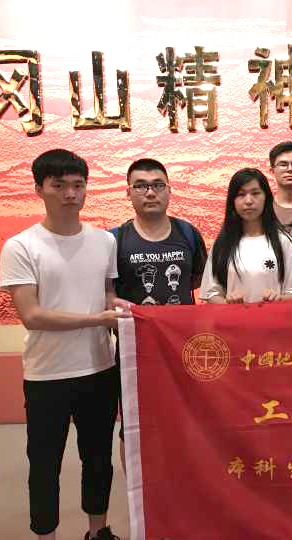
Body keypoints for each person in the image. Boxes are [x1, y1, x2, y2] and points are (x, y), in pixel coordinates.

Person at [0, 149, 128, 540]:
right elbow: (32, 315)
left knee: (98, 459)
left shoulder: (104, 241)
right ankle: (47, 535)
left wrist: (119, 308)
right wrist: (97, 320)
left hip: (99, 368)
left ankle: (98, 530)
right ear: (39, 189)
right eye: (59, 185)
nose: (70, 194)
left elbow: (105, 294)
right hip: (46, 374)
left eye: (77, 184)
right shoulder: (21, 246)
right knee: (44, 464)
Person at [110, 158, 207, 463]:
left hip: (184, 350)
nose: (150, 192)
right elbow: (106, 294)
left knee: (186, 422)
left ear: (169, 190)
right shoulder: (115, 239)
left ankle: (181, 485)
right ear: (128, 192)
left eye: (157, 185)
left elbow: (197, 281)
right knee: (134, 427)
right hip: (135, 354)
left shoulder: (188, 234)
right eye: (140, 186)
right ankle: (138, 492)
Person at [200, 168, 292, 303]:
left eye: (255, 193)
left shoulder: (282, 241)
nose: (248, 201)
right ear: (232, 201)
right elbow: (211, 293)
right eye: (241, 194)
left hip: (274, 316)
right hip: (232, 316)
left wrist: (279, 299)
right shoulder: (222, 243)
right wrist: (228, 303)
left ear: (266, 197)